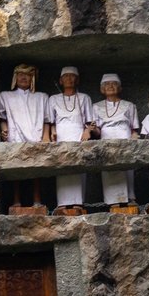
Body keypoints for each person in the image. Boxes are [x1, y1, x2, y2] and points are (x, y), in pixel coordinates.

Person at [0, 64, 48, 208]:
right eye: (20, 74)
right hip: (15, 135)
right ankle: (16, 201)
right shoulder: (5, 96)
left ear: (33, 78)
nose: (23, 77)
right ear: (15, 77)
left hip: (36, 135)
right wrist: (4, 129)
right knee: (15, 169)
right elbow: (2, 117)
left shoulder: (42, 97)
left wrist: (46, 136)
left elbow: (46, 119)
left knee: (37, 169)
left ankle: (37, 201)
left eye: (27, 75)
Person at [45, 66, 92, 211]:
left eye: (72, 76)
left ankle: (78, 202)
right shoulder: (53, 99)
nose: (69, 79)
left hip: (79, 134)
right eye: (66, 76)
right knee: (62, 166)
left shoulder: (84, 97)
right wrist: (52, 132)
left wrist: (87, 131)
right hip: (61, 134)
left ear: (77, 80)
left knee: (79, 167)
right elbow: (50, 120)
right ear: (60, 80)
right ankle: (63, 203)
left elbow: (90, 121)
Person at [92, 74, 140, 206]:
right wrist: (92, 129)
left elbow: (134, 129)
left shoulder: (129, 105)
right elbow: (97, 131)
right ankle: (113, 201)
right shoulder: (96, 106)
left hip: (124, 136)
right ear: (102, 89)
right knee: (109, 168)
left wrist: (134, 139)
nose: (110, 87)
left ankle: (130, 198)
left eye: (114, 84)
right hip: (106, 138)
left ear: (119, 88)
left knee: (127, 168)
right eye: (107, 84)